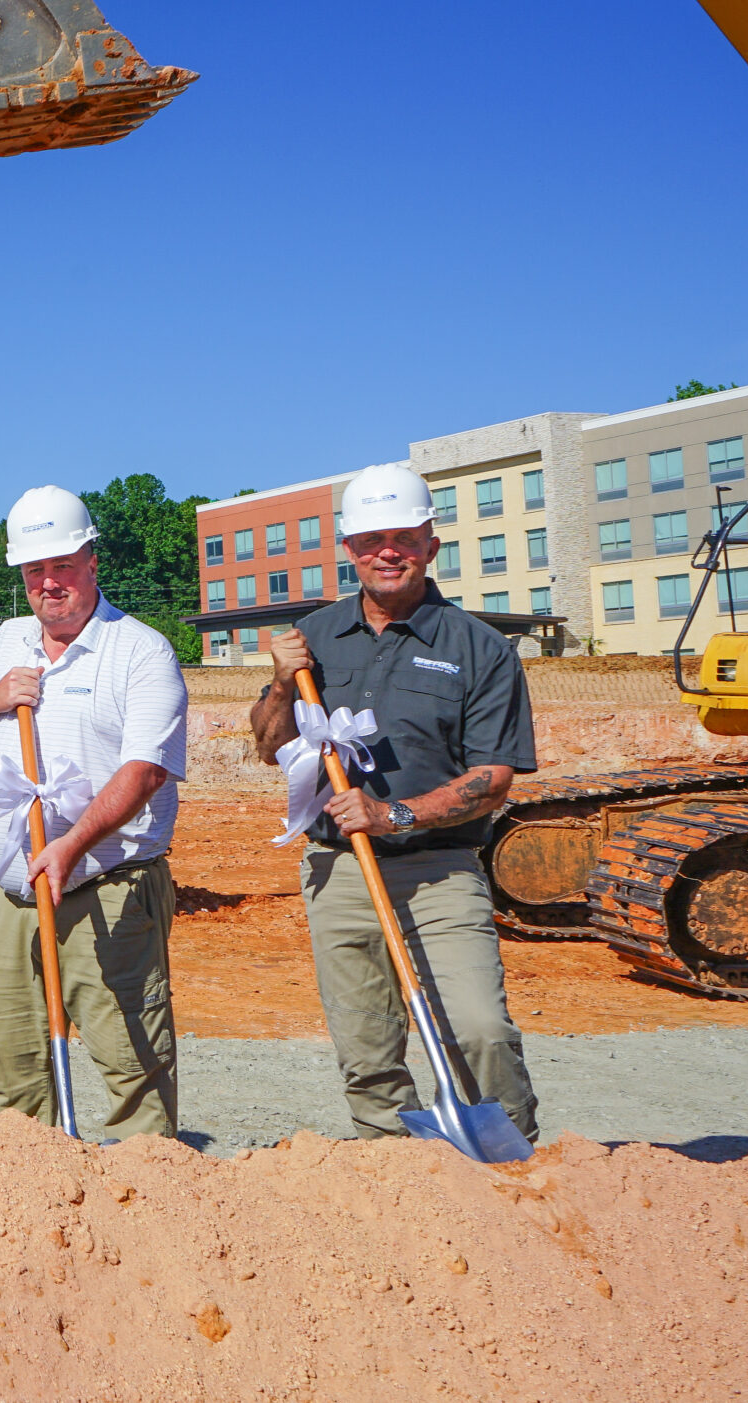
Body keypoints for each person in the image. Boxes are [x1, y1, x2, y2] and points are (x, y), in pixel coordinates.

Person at [250, 462, 541, 1142]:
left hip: (439, 870)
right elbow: (268, 745)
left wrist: (393, 814)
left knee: (479, 1029)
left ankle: (512, 1157)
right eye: (371, 538)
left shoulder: (480, 648)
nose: (388, 550)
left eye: (404, 536)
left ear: (430, 544)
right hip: (339, 871)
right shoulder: (315, 637)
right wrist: (282, 683)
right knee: (366, 1047)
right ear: (349, 549)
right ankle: (391, 1168)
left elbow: (494, 778)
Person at [0, 485, 189, 1139]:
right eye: (35, 570)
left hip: (107, 889)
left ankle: (147, 1206)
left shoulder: (140, 651)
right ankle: (39, 1210)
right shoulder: (6, 641)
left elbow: (145, 771)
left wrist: (71, 845)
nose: (49, 582)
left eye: (62, 566)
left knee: (133, 1064)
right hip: (13, 901)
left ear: (92, 560)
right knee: (15, 1069)